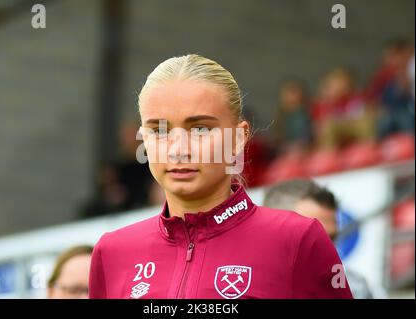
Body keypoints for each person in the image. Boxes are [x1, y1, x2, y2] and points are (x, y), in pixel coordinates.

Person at [89, 54, 352, 299]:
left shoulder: (298, 239)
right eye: (159, 130)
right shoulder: (112, 252)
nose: (179, 150)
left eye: (200, 129)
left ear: (239, 138)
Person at [263, 179, 376, 299]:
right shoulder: (245, 286)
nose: (328, 250)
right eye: (310, 239)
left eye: (333, 238)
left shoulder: (355, 287)